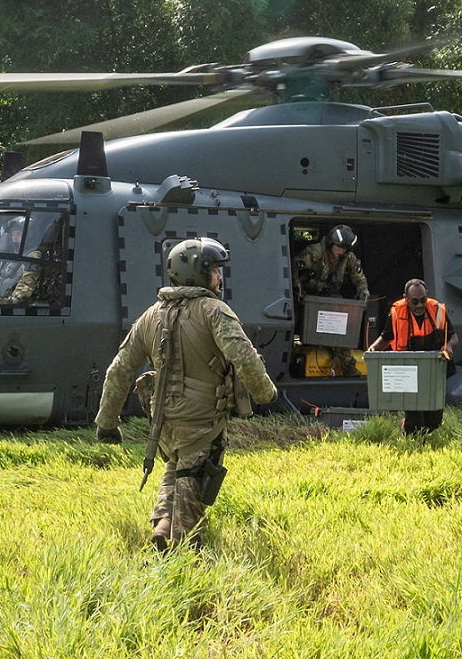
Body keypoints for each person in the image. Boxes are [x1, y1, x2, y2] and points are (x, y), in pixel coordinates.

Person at [96, 238, 278, 551]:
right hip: (201, 421)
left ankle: (162, 525)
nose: (220, 277)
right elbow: (244, 357)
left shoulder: (150, 315)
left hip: (163, 423)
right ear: (199, 273)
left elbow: (119, 370)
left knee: (176, 466)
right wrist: (265, 393)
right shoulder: (215, 311)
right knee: (194, 478)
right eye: (216, 270)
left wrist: (107, 422)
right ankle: (181, 549)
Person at [369, 277, 455, 433]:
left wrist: (448, 346)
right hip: (408, 370)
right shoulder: (396, 312)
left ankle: (415, 433)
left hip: (433, 370)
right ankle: (411, 441)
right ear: (406, 298)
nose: (420, 305)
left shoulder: (437, 310)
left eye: (423, 300)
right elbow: (386, 337)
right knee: (415, 421)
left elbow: (454, 337)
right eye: (415, 302)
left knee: (434, 421)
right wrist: (373, 349)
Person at [293, 224, 369, 376]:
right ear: (330, 243)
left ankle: (347, 365)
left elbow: (359, 278)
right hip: (306, 296)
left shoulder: (348, 258)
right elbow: (294, 267)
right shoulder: (314, 252)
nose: (340, 251)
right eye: (338, 247)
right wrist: (297, 288)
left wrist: (364, 293)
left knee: (341, 326)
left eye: (343, 249)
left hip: (329, 297)